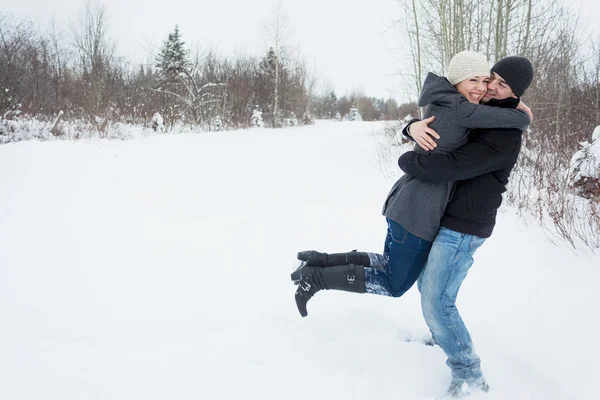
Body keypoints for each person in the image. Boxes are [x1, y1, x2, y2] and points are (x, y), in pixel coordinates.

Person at [291, 51, 531, 318]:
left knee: (387, 264)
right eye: (474, 80)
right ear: (456, 80)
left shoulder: (444, 100)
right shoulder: (461, 109)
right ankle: (316, 279)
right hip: (419, 208)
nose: (482, 87)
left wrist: (410, 127)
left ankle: (318, 261)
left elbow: (480, 118)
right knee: (395, 284)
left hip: (407, 202)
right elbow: (508, 119)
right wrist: (524, 115)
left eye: (485, 80)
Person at [398, 56, 534, 397]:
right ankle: (443, 335)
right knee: (432, 291)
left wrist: (408, 160)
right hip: (450, 217)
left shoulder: (506, 133)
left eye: (502, 85)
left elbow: (453, 165)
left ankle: (470, 375)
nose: (490, 87)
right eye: (492, 79)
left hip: (466, 225)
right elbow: (444, 118)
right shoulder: (485, 113)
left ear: (515, 94)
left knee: (437, 300)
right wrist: (411, 126)